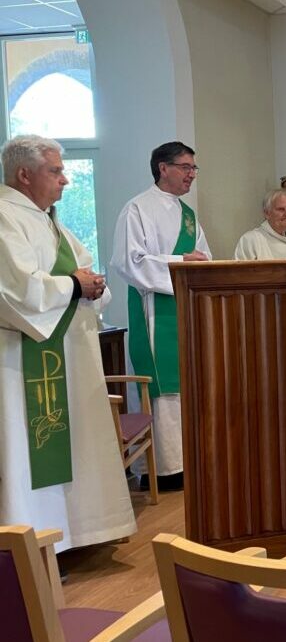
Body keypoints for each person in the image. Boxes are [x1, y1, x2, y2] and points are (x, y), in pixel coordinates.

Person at [0, 135, 136, 551]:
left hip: (64, 351)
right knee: (29, 447)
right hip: (22, 356)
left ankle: (73, 531)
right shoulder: (6, 216)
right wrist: (75, 285)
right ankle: (35, 543)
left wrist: (92, 286)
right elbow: (18, 291)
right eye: (56, 171)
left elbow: (86, 272)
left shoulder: (49, 219)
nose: (66, 180)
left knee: (72, 439)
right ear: (24, 174)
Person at [110, 141, 212, 491]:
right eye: (185, 167)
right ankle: (161, 471)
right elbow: (129, 262)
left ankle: (189, 463)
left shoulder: (188, 215)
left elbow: (204, 257)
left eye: (194, 168)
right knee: (163, 392)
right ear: (162, 168)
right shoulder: (136, 209)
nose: (191, 175)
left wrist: (195, 265)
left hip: (185, 310)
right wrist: (182, 264)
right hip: (153, 313)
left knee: (187, 388)